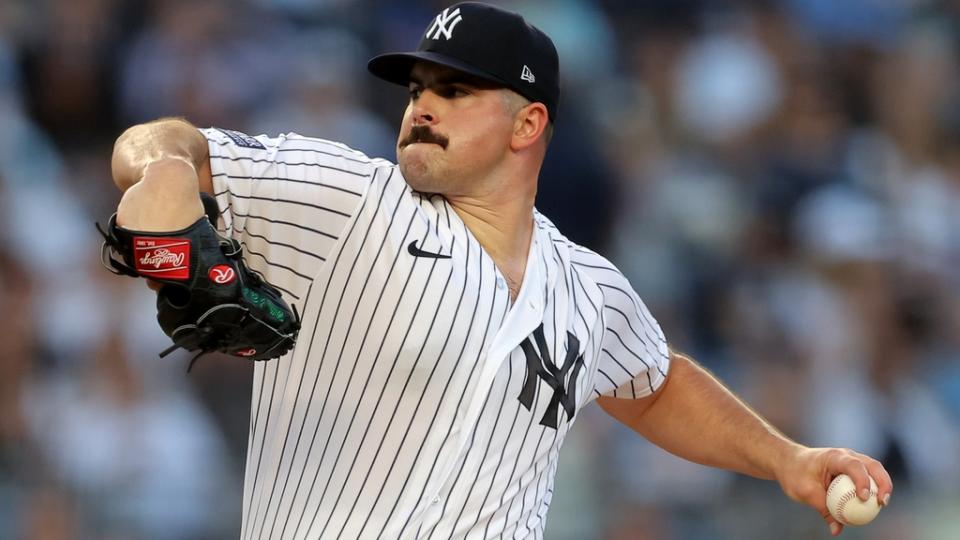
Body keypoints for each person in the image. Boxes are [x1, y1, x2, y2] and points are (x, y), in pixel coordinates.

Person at [107, 2, 892, 538]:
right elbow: (151, 148)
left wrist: (788, 458)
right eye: (417, 89)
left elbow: (654, 386)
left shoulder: (588, 286)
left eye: (454, 90)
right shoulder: (353, 199)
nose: (422, 106)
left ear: (529, 123)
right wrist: (167, 187)